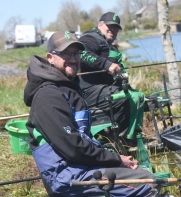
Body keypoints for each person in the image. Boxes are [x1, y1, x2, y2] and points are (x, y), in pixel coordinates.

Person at [23, 30, 160, 197]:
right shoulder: (48, 96)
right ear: (50, 57)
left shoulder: (67, 87)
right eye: (66, 54)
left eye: (76, 53)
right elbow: (73, 148)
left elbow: (83, 141)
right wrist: (117, 160)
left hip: (81, 166)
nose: (73, 59)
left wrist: (114, 159)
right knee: (148, 183)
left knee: (143, 174)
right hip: (67, 176)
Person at [78, 12, 146, 144]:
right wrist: (106, 64)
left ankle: (129, 136)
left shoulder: (109, 46)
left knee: (137, 96)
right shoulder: (91, 38)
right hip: (88, 91)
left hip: (103, 88)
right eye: (110, 26)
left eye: (116, 28)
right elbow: (81, 53)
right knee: (124, 98)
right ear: (99, 25)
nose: (113, 30)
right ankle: (119, 139)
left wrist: (131, 89)